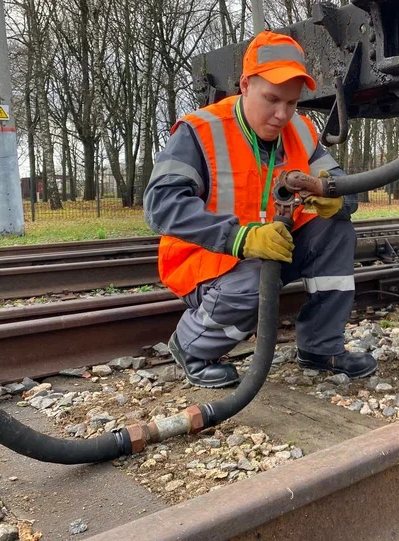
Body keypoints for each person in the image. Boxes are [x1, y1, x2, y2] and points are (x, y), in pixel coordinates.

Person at [144, 30, 378, 388]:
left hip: (271, 251)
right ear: (245, 85)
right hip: (205, 261)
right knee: (255, 279)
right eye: (272, 99)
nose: (282, 114)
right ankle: (191, 347)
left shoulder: (300, 131)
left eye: (292, 102)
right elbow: (160, 205)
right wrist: (240, 238)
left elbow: (342, 186)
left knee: (336, 229)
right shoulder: (200, 130)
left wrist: (335, 199)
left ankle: (320, 347)